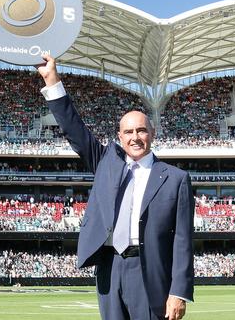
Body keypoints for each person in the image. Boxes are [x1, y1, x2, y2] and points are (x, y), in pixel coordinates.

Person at [35, 55, 194, 320]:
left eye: (141, 131)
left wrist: (179, 291)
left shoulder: (175, 178)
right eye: (128, 132)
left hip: (149, 270)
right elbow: (74, 129)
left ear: (152, 134)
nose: (135, 137)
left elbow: (183, 241)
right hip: (110, 267)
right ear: (119, 138)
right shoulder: (106, 163)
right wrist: (52, 80)